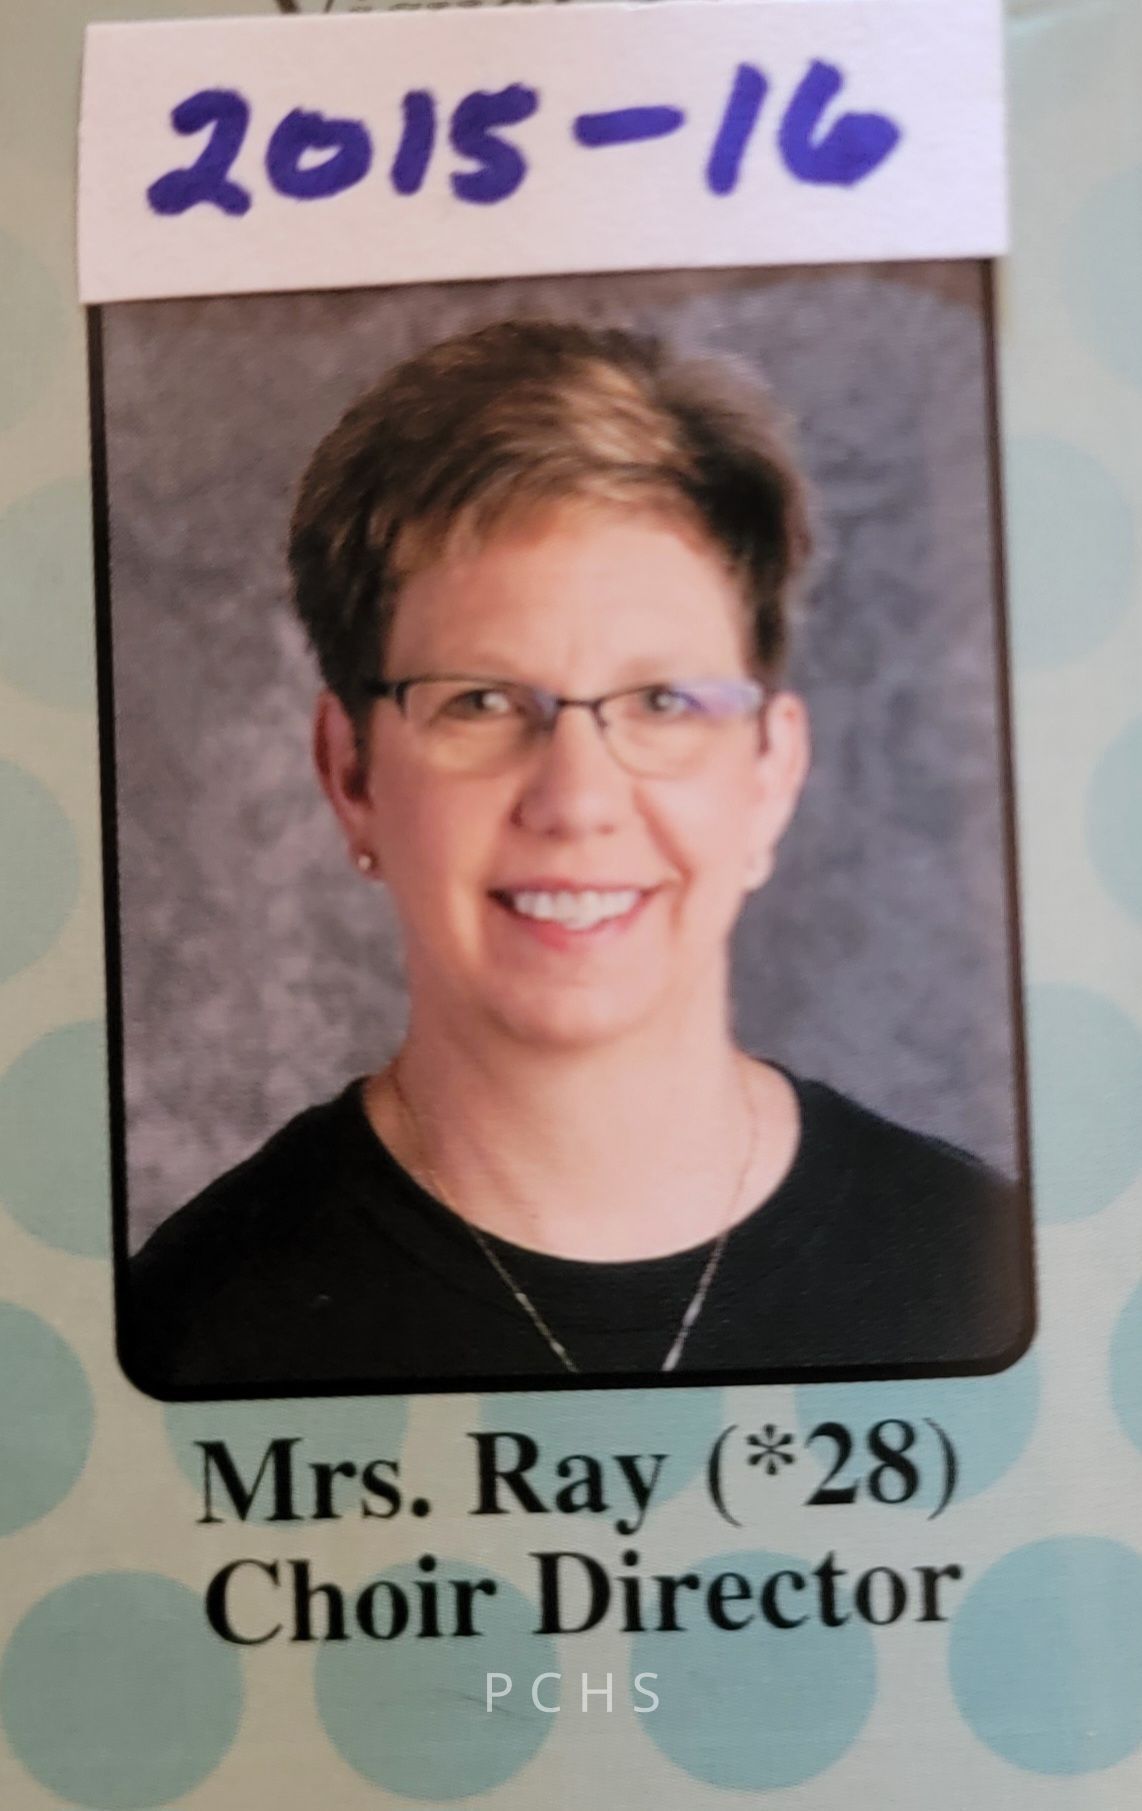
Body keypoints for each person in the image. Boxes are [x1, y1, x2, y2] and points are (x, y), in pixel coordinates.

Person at [127, 318, 1029, 1393]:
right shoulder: (182, 1337)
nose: (576, 800)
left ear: (769, 771)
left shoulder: (994, 1281)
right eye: (481, 700)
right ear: (352, 773)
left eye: (662, 700)